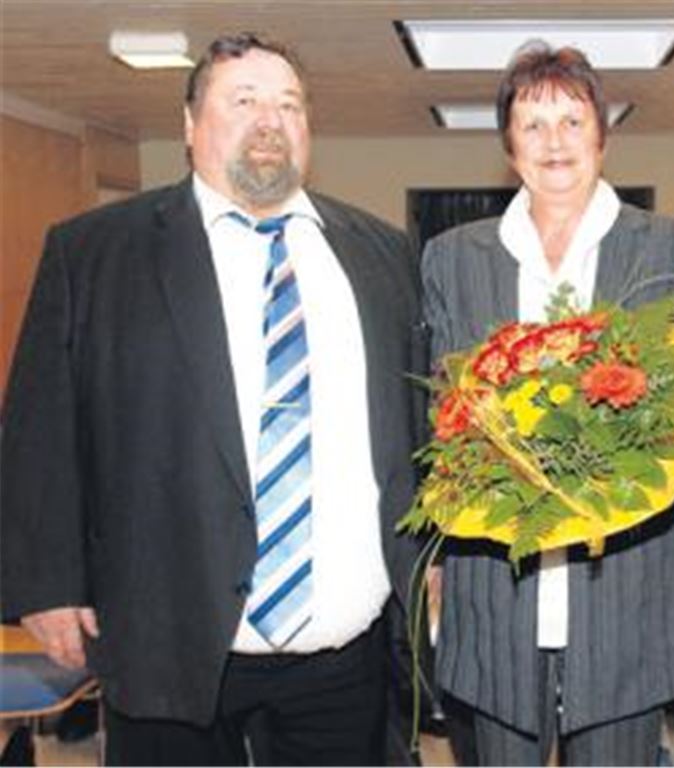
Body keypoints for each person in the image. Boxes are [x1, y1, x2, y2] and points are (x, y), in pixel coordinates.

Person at [0, 33, 425, 766]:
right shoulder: (96, 252)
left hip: (344, 644)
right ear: (191, 126)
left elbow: (413, 422)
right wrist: (44, 580)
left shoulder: (380, 253)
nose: (270, 119)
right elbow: (41, 429)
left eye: (288, 104)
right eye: (244, 100)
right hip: (165, 629)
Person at [422, 42, 674, 766]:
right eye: (533, 124)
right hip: (496, 582)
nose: (554, 141)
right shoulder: (453, 257)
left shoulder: (672, 248)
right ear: (508, 145)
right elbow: (439, 417)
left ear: (602, 134)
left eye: (572, 119)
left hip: (631, 580)